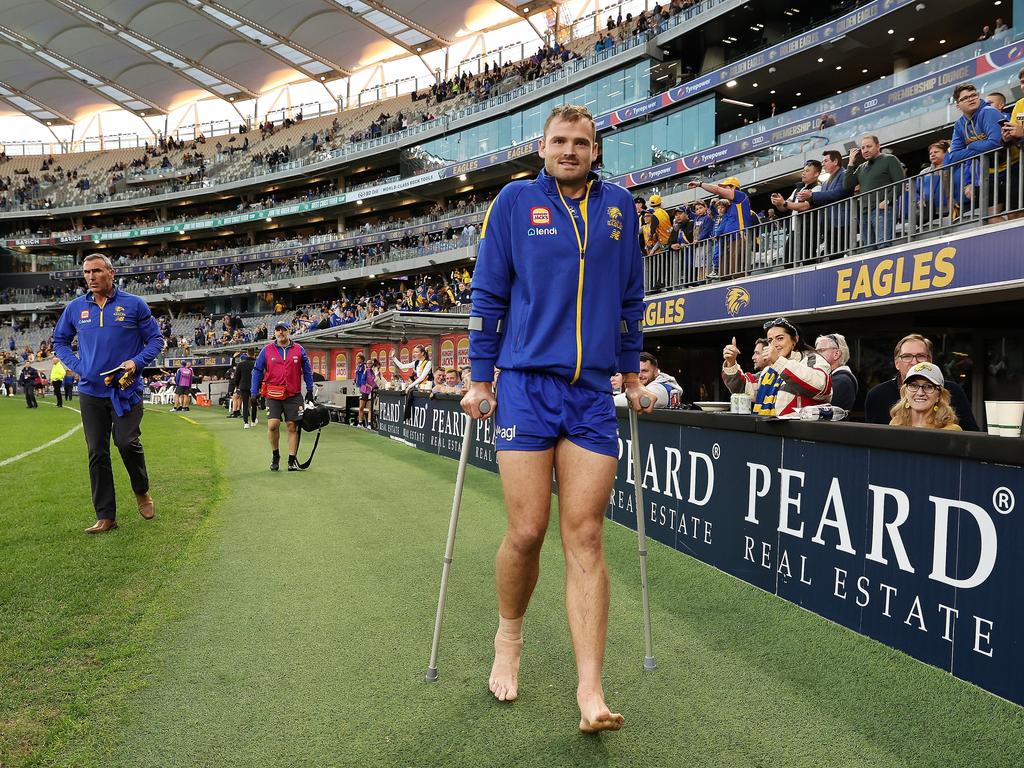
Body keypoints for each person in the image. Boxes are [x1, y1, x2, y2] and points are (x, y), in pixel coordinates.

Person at [463, 103, 649, 733]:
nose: (570, 150)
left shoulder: (622, 208)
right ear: (541, 147)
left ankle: (590, 692)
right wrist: (479, 378)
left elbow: (630, 298)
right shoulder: (515, 203)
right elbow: (488, 293)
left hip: (592, 393)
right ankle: (508, 637)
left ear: (596, 151)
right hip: (523, 388)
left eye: (582, 142)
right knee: (526, 532)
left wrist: (629, 370)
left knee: (587, 535)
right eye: (559, 141)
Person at [52, 253, 164, 534]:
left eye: (97, 271)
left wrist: (135, 362)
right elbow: (60, 341)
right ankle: (106, 516)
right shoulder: (76, 308)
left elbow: (156, 340)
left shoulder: (134, 304)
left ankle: (141, 491)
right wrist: (79, 368)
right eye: (87, 272)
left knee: (126, 443)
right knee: (96, 452)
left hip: (126, 390)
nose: (90, 277)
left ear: (111, 273)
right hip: (91, 392)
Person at [863, 333, 979, 430]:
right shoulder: (877, 396)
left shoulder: (952, 391)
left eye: (921, 356)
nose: (914, 362)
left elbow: (972, 439)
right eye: (907, 356)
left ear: (930, 360)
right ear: (896, 363)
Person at [722, 318, 831, 416]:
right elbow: (743, 389)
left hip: (799, 435)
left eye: (780, 338)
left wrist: (778, 361)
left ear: (795, 340)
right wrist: (731, 362)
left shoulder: (812, 359)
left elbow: (820, 388)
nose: (774, 344)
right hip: (767, 434)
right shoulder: (768, 369)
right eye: (770, 340)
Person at [251, 322, 315, 471]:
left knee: (292, 426)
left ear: (288, 331)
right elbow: (257, 370)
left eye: (283, 330)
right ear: (274, 333)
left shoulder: (299, 349)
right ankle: (275, 455)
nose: (281, 333)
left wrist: (310, 390)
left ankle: (291, 460)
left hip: (293, 394)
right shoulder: (267, 350)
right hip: (273, 394)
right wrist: (254, 392)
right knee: (273, 425)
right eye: (278, 330)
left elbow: (307, 370)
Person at [843, 135, 904, 249]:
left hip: (881, 210)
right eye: (862, 148)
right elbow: (847, 185)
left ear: (878, 146)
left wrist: (887, 200)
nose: (865, 150)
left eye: (868, 146)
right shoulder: (861, 167)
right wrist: (851, 162)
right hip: (864, 213)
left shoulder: (889, 159)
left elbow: (900, 183)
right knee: (869, 250)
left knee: (883, 246)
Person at [687, 177, 752, 278]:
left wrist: (700, 184)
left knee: (737, 274)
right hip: (727, 240)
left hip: (739, 238)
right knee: (724, 275)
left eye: (725, 188)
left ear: (733, 187)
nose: (722, 191)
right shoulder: (729, 206)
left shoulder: (740, 196)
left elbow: (717, 189)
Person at [888, 362, 961, 430]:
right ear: (906, 392)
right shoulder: (896, 423)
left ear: (939, 395)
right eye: (913, 385)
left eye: (928, 387)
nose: (920, 393)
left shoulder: (950, 430)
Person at [613, 351, 682, 408]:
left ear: (656, 372)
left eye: (644, 371)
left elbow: (638, 398)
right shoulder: (639, 386)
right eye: (636, 372)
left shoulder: (662, 388)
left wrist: (606, 401)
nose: (639, 375)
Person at [813, 333, 857, 411]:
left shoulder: (841, 380)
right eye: (815, 352)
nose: (816, 355)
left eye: (821, 350)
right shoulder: (840, 378)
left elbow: (820, 411)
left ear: (836, 354)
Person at [231, 349, 257, 429]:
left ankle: (246, 423)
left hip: (243, 386)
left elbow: (236, 377)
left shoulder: (241, 364)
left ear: (247, 354)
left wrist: (237, 385)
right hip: (254, 386)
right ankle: (253, 420)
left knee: (245, 404)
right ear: (254, 354)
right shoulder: (256, 363)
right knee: (254, 404)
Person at [354, 352, 375, 429]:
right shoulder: (360, 368)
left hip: (369, 391)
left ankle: (369, 424)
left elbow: (372, 381)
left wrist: (371, 387)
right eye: (368, 363)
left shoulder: (370, 371)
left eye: (370, 363)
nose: (369, 365)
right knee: (361, 407)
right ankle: (360, 423)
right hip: (362, 389)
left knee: (370, 408)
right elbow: (361, 380)